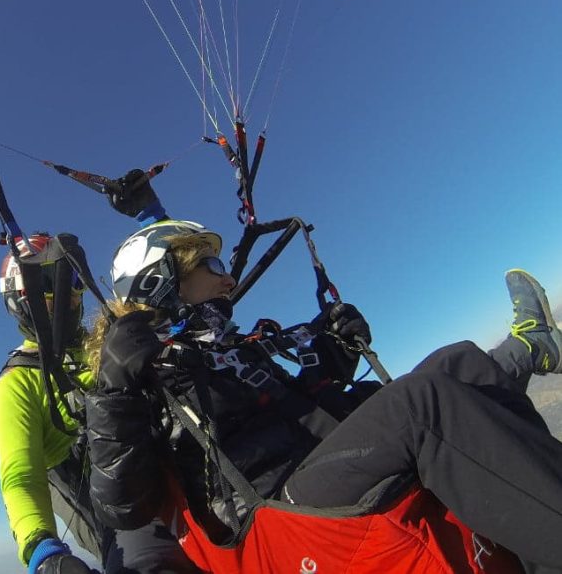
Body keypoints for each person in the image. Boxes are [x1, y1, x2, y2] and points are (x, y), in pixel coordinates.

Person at [84, 220, 562, 572]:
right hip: (272, 514)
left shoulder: (227, 350)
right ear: (161, 281)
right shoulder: (143, 382)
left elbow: (306, 402)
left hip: (318, 468)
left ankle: (537, 536)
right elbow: (121, 505)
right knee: (420, 403)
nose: (228, 278)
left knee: (459, 362)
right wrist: (115, 392)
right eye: (210, 265)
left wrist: (336, 341)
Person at [0, 231, 202, 574]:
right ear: (20, 294)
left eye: (73, 280)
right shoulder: (18, 383)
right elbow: (21, 477)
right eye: (51, 281)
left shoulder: (103, 343)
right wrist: (43, 552)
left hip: (169, 467)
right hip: (114, 512)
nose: (71, 295)